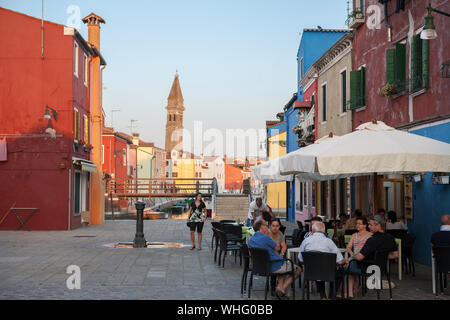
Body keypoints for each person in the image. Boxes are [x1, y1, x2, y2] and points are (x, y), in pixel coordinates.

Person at [248, 220, 302, 299]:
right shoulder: (266, 238)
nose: (267, 227)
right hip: (273, 266)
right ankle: (282, 287)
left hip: (260, 267)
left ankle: (280, 286)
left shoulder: (251, 239)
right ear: (262, 227)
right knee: (298, 269)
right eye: (266, 226)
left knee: (284, 264)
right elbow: (277, 248)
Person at [298, 222, 346, 300]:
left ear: (312, 231)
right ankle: (331, 297)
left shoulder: (306, 241)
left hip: (311, 273)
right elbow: (340, 261)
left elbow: (300, 258)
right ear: (324, 231)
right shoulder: (329, 242)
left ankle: (323, 296)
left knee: (317, 268)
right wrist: (345, 261)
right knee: (338, 272)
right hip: (328, 272)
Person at [337, 217, 372, 299]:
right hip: (354, 257)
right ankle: (349, 291)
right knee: (347, 266)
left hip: (364, 258)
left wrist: (353, 257)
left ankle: (344, 291)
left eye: (359, 223)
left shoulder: (370, 235)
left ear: (365, 225)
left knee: (347, 266)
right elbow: (348, 247)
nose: (357, 225)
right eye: (356, 223)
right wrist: (352, 254)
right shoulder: (354, 235)